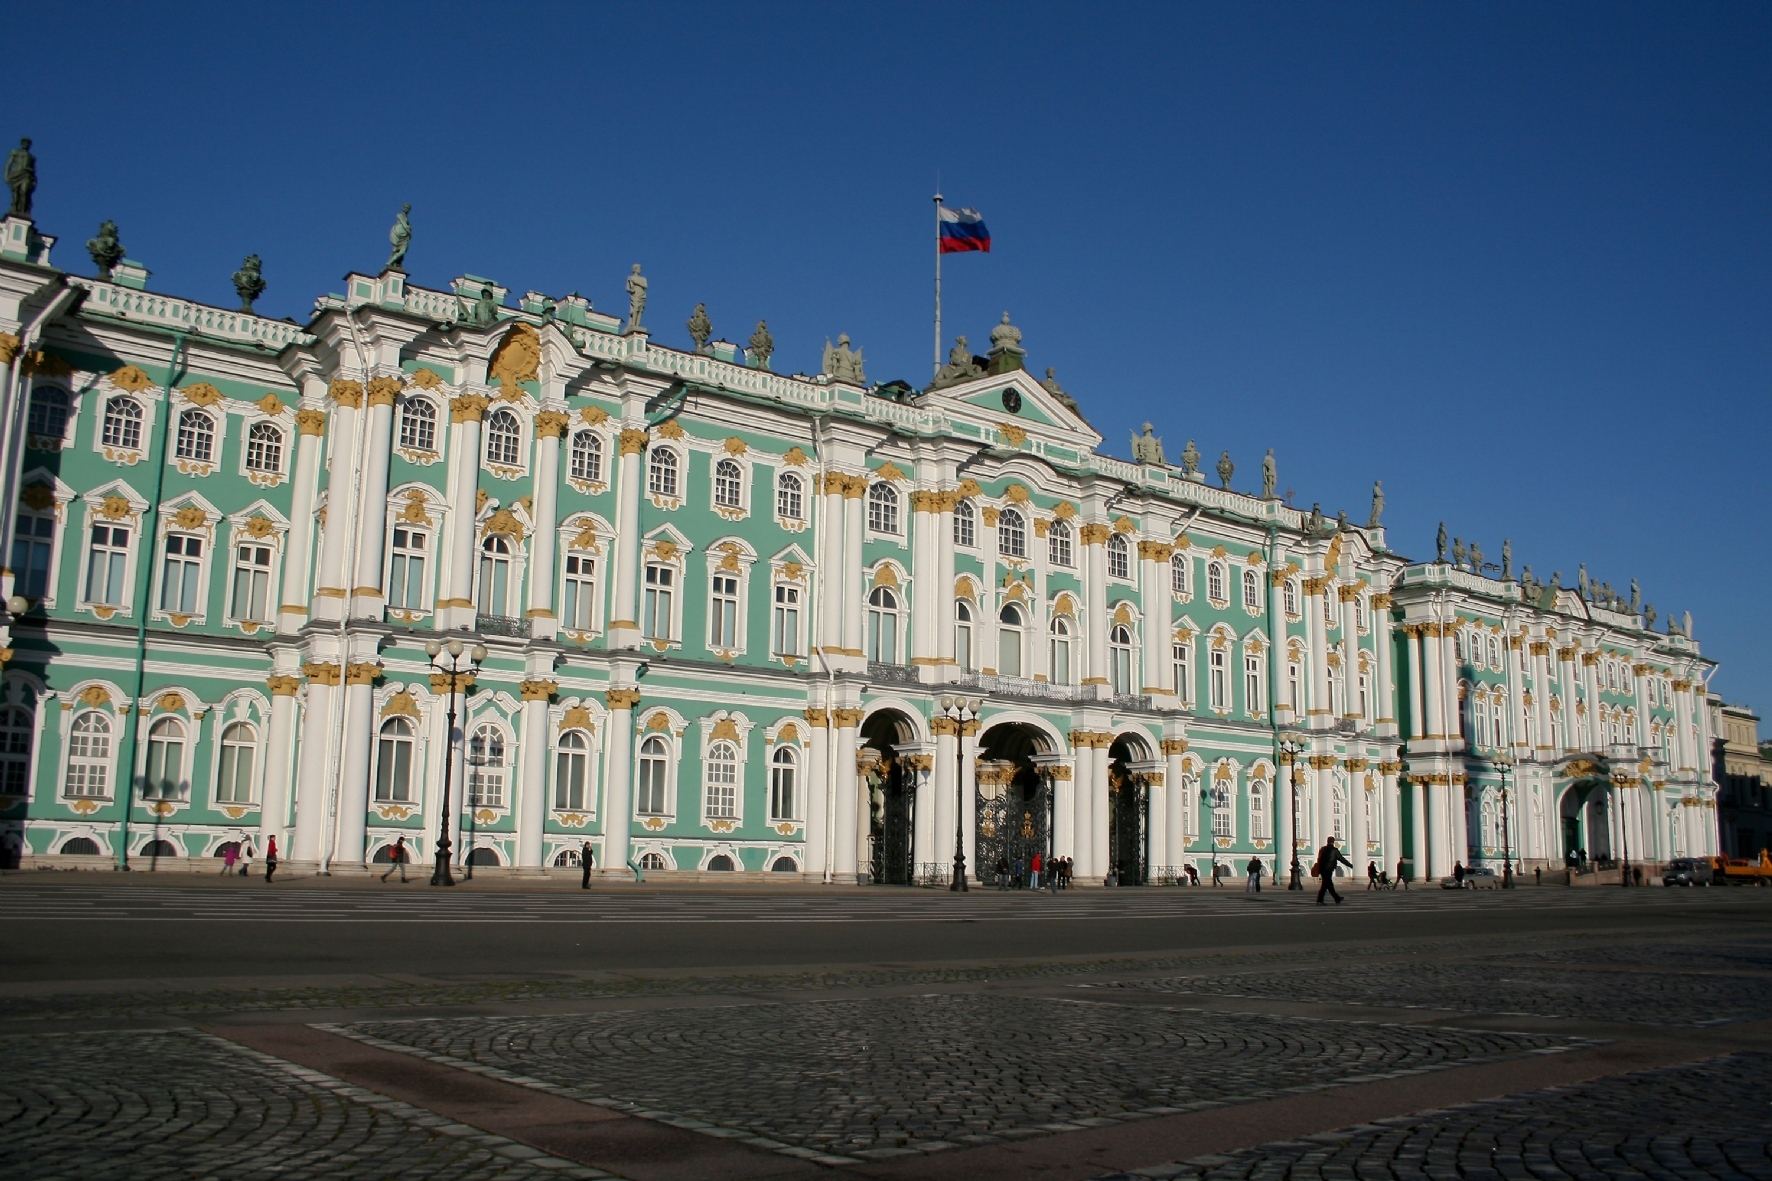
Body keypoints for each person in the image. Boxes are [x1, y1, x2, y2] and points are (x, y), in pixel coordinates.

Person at [1315, 837, 1352, 905]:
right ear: (1333, 842)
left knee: (1328, 885)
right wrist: (1350, 865)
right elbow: (1341, 859)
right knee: (1326, 885)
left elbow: (1319, 859)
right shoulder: (1334, 850)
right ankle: (1320, 900)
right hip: (1329, 869)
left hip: (1322, 869)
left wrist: (1319, 868)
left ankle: (1336, 898)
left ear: (1327, 841)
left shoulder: (1323, 849)